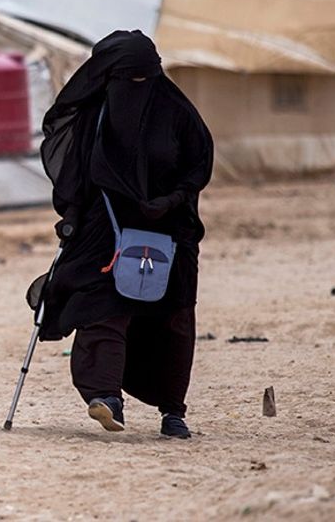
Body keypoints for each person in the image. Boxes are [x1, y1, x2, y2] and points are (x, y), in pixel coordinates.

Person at [37, 30, 212, 438]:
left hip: (168, 227)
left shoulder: (177, 111)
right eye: (128, 81)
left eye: (144, 80)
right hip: (106, 227)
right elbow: (77, 175)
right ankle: (105, 396)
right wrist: (72, 217)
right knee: (102, 306)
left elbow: (197, 165)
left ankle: (172, 410)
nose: (137, 90)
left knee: (172, 318)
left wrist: (170, 200)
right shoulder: (94, 116)